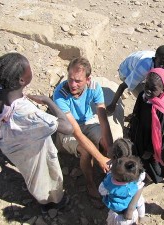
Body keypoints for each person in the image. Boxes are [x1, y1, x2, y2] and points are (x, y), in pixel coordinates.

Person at [0, 52, 73, 213]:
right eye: (29, 69)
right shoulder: (26, 111)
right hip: (32, 149)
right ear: (21, 80)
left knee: (30, 175)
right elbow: (68, 128)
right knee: (44, 175)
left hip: (10, 145)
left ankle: (44, 201)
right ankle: (52, 202)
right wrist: (48, 101)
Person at [53, 57, 113, 208]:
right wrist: (99, 157)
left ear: (88, 79)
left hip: (87, 121)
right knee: (86, 152)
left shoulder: (94, 87)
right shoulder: (60, 94)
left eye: (78, 81)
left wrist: (109, 148)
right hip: (68, 130)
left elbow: (103, 119)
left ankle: (110, 176)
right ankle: (90, 184)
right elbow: (76, 132)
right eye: (70, 79)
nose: (72, 84)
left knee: (107, 142)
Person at [129, 68, 164, 184]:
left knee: (151, 162)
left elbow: (160, 135)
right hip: (139, 133)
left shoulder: (161, 110)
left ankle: (153, 178)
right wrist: (132, 128)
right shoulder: (141, 96)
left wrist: (150, 150)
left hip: (152, 142)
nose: (148, 91)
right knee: (138, 155)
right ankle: (139, 172)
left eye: (153, 88)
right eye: (146, 85)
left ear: (162, 90)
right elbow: (136, 112)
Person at [106, 45, 164, 114]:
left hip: (138, 61)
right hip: (126, 71)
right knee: (146, 96)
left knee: (154, 90)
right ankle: (137, 115)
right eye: (162, 63)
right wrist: (112, 105)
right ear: (154, 60)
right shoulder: (143, 69)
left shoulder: (160, 65)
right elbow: (122, 86)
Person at [106, 138, 147, 224]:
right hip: (135, 201)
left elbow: (103, 189)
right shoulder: (135, 167)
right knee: (140, 203)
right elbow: (140, 185)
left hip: (119, 211)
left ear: (114, 156)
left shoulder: (113, 170)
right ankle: (141, 218)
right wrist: (132, 208)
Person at [99, 156, 144, 225]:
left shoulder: (109, 184)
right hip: (132, 215)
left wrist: (108, 176)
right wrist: (141, 217)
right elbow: (140, 204)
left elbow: (101, 191)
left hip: (116, 215)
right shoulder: (135, 187)